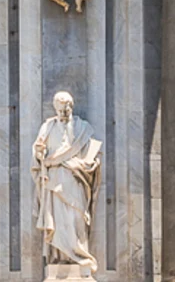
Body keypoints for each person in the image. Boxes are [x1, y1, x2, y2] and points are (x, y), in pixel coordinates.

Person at [31, 91, 104, 271]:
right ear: (55, 108)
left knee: (76, 218)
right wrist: (39, 153)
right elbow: (38, 154)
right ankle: (59, 259)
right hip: (54, 180)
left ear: (72, 106)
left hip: (76, 179)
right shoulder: (47, 127)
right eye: (60, 110)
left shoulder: (83, 128)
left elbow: (91, 153)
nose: (63, 113)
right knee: (58, 223)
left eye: (66, 109)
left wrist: (92, 164)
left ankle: (80, 257)